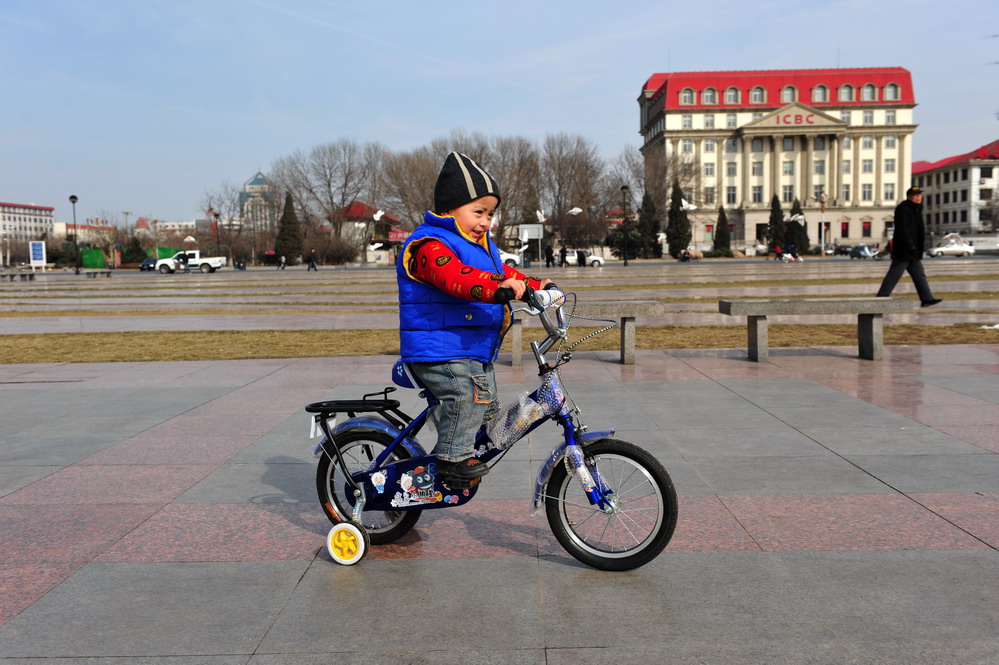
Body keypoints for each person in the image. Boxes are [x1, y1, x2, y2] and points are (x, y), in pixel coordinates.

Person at [397, 152, 552, 482]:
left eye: (490, 214)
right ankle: (452, 458)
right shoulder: (429, 245)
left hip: (469, 347)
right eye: (478, 212)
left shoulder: (482, 247)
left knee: (488, 407)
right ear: (449, 209)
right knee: (467, 396)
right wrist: (498, 288)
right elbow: (458, 276)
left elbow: (504, 272)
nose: (486, 221)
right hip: (438, 350)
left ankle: (462, 441)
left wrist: (539, 285)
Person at [876, 186, 942, 307]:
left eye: (920, 195)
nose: (919, 197)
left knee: (919, 274)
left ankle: (926, 299)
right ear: (909, 196)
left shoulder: (915, 209)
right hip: (905, 249)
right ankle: (880, 298)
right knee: (894, 274)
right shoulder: (904, 209)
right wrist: (910, 244)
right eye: (916, 195)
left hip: (913, 250)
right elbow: (903, 229)